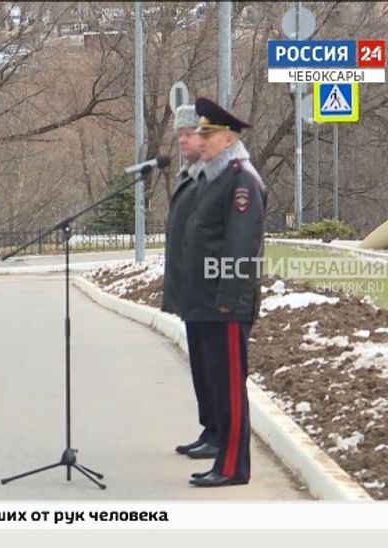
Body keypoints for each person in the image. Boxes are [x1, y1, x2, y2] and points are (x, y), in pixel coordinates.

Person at [182, 97, 267, 487]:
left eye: (207, 133)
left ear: (228, 138)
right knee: (218, 383)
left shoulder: (241, 179)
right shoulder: (216, 176)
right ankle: (223, 460)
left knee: (231, 389)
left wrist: (230, 300)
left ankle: (233, 467)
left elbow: (240, 245)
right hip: (207, 303)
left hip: (226, 305)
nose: (201, 139)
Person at [162, 106, 216, 460]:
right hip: (191, 290)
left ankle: (220, 433)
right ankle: (209, 427)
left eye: (190, 132)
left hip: (210, 292)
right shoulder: (189, 175)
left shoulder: (216, 178)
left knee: (215, 367)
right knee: (201, 365)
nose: (182, 138)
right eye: (179, 132)